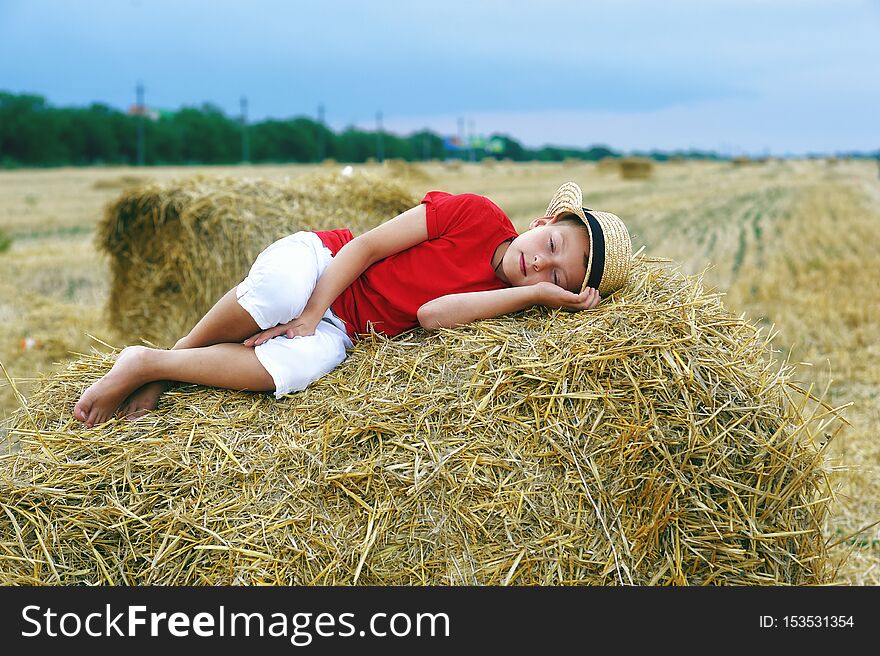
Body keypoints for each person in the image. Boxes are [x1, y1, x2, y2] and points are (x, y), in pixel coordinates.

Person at [73, 181, 632, 428]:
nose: (541, 265)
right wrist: (311, 313)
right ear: (543, 222)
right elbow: (366, 246)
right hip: (325, 264)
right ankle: (181, 353)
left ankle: (150, 364)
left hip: (347, 331)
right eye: (551, 247)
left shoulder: (506, 298)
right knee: (279, 296)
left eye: (557, 276)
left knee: (292, 370)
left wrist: (529, 296)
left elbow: (431, 316)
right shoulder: (475, 213)